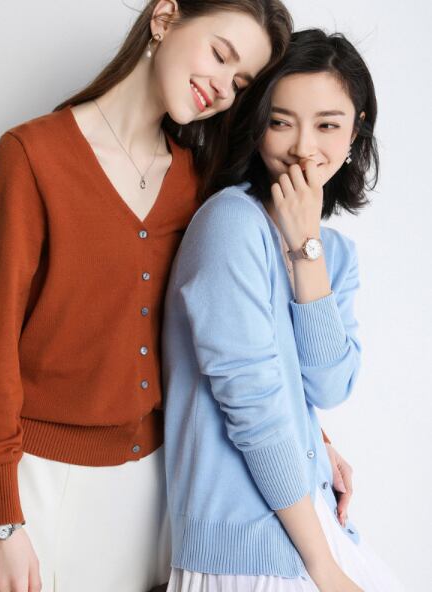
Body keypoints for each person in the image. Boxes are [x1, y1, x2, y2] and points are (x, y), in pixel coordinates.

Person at [0, 2, 292, 591]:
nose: (222, 88)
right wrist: (2, 517)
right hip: (42, 482)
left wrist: (314, 442)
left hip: (159, 488)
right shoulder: (32, 155)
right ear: (164, 18)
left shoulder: (200, 184)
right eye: (220, 54)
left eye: (239, 83)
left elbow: (241, 335)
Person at [162, 29, 405, 591]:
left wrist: (305, 249)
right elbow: (254, 407)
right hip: (245, 548)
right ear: (256, 124)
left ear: (355, 130)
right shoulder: (230, 224)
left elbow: (329, 385)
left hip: (311, 526)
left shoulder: (333, 253)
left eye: (327, 125)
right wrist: (324, 568)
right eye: (281, 121)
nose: (302, 147)